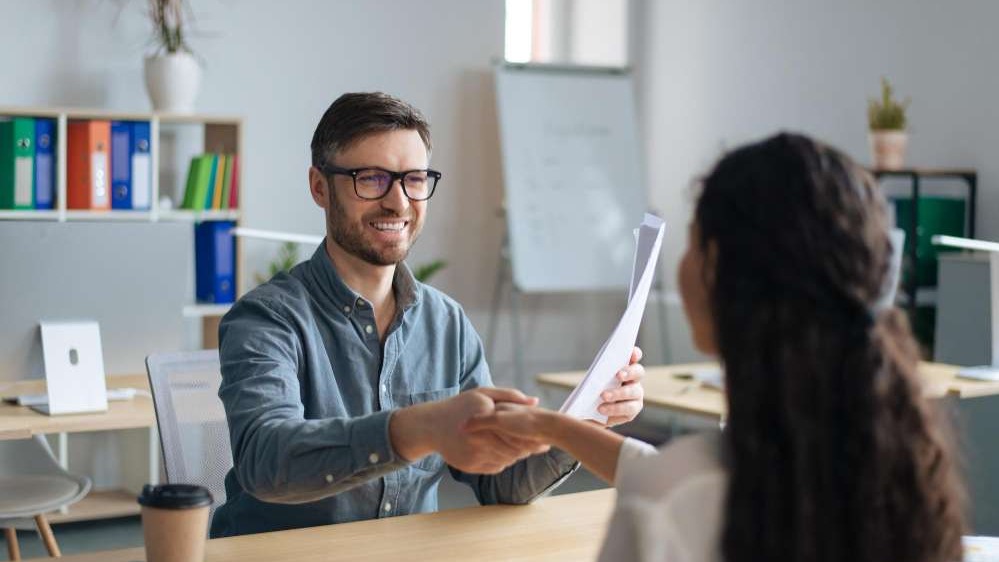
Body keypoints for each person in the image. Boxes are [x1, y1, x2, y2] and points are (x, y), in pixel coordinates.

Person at [463, 132, 966, 562]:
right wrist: (554, 426)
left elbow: (677, 482)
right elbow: (666, 470)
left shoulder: (670, 500)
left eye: (692, 238)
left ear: (719, 272)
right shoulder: (904, 464)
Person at [209, 92, 647, 538]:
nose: (398, 202)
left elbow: (501, 483)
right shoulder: (266, 319)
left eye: (414, 179)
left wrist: (586, 418)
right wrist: (417, 429)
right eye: (372, 178)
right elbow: (266, 462)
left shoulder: (446, 324)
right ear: (320, 187)